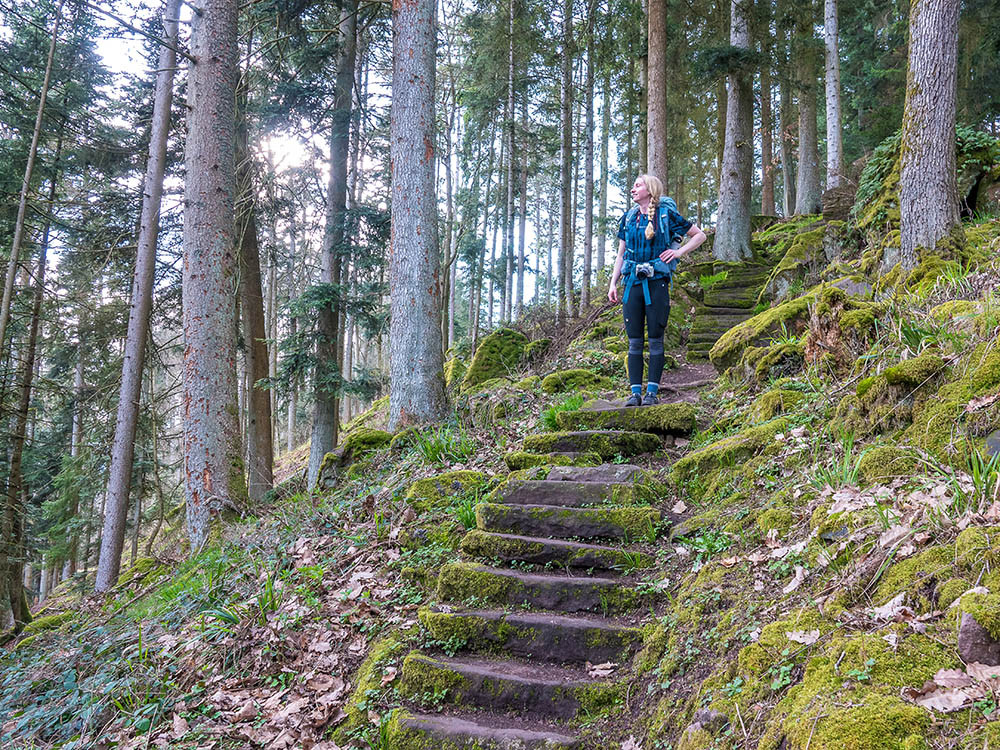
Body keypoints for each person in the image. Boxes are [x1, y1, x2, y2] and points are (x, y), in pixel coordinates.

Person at [608, 174, 707, 406]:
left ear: (650, 190)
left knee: (655, 339)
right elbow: (621, 254)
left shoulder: (666, 214)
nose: (633, 189)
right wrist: (613, 283)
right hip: (631, 282)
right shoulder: (628, 218)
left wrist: (678, 252)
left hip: (657, 282)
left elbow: (699, 235)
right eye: (633, 185)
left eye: (638, 185)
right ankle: (635, 394)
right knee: (633, 341)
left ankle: (651, 393)